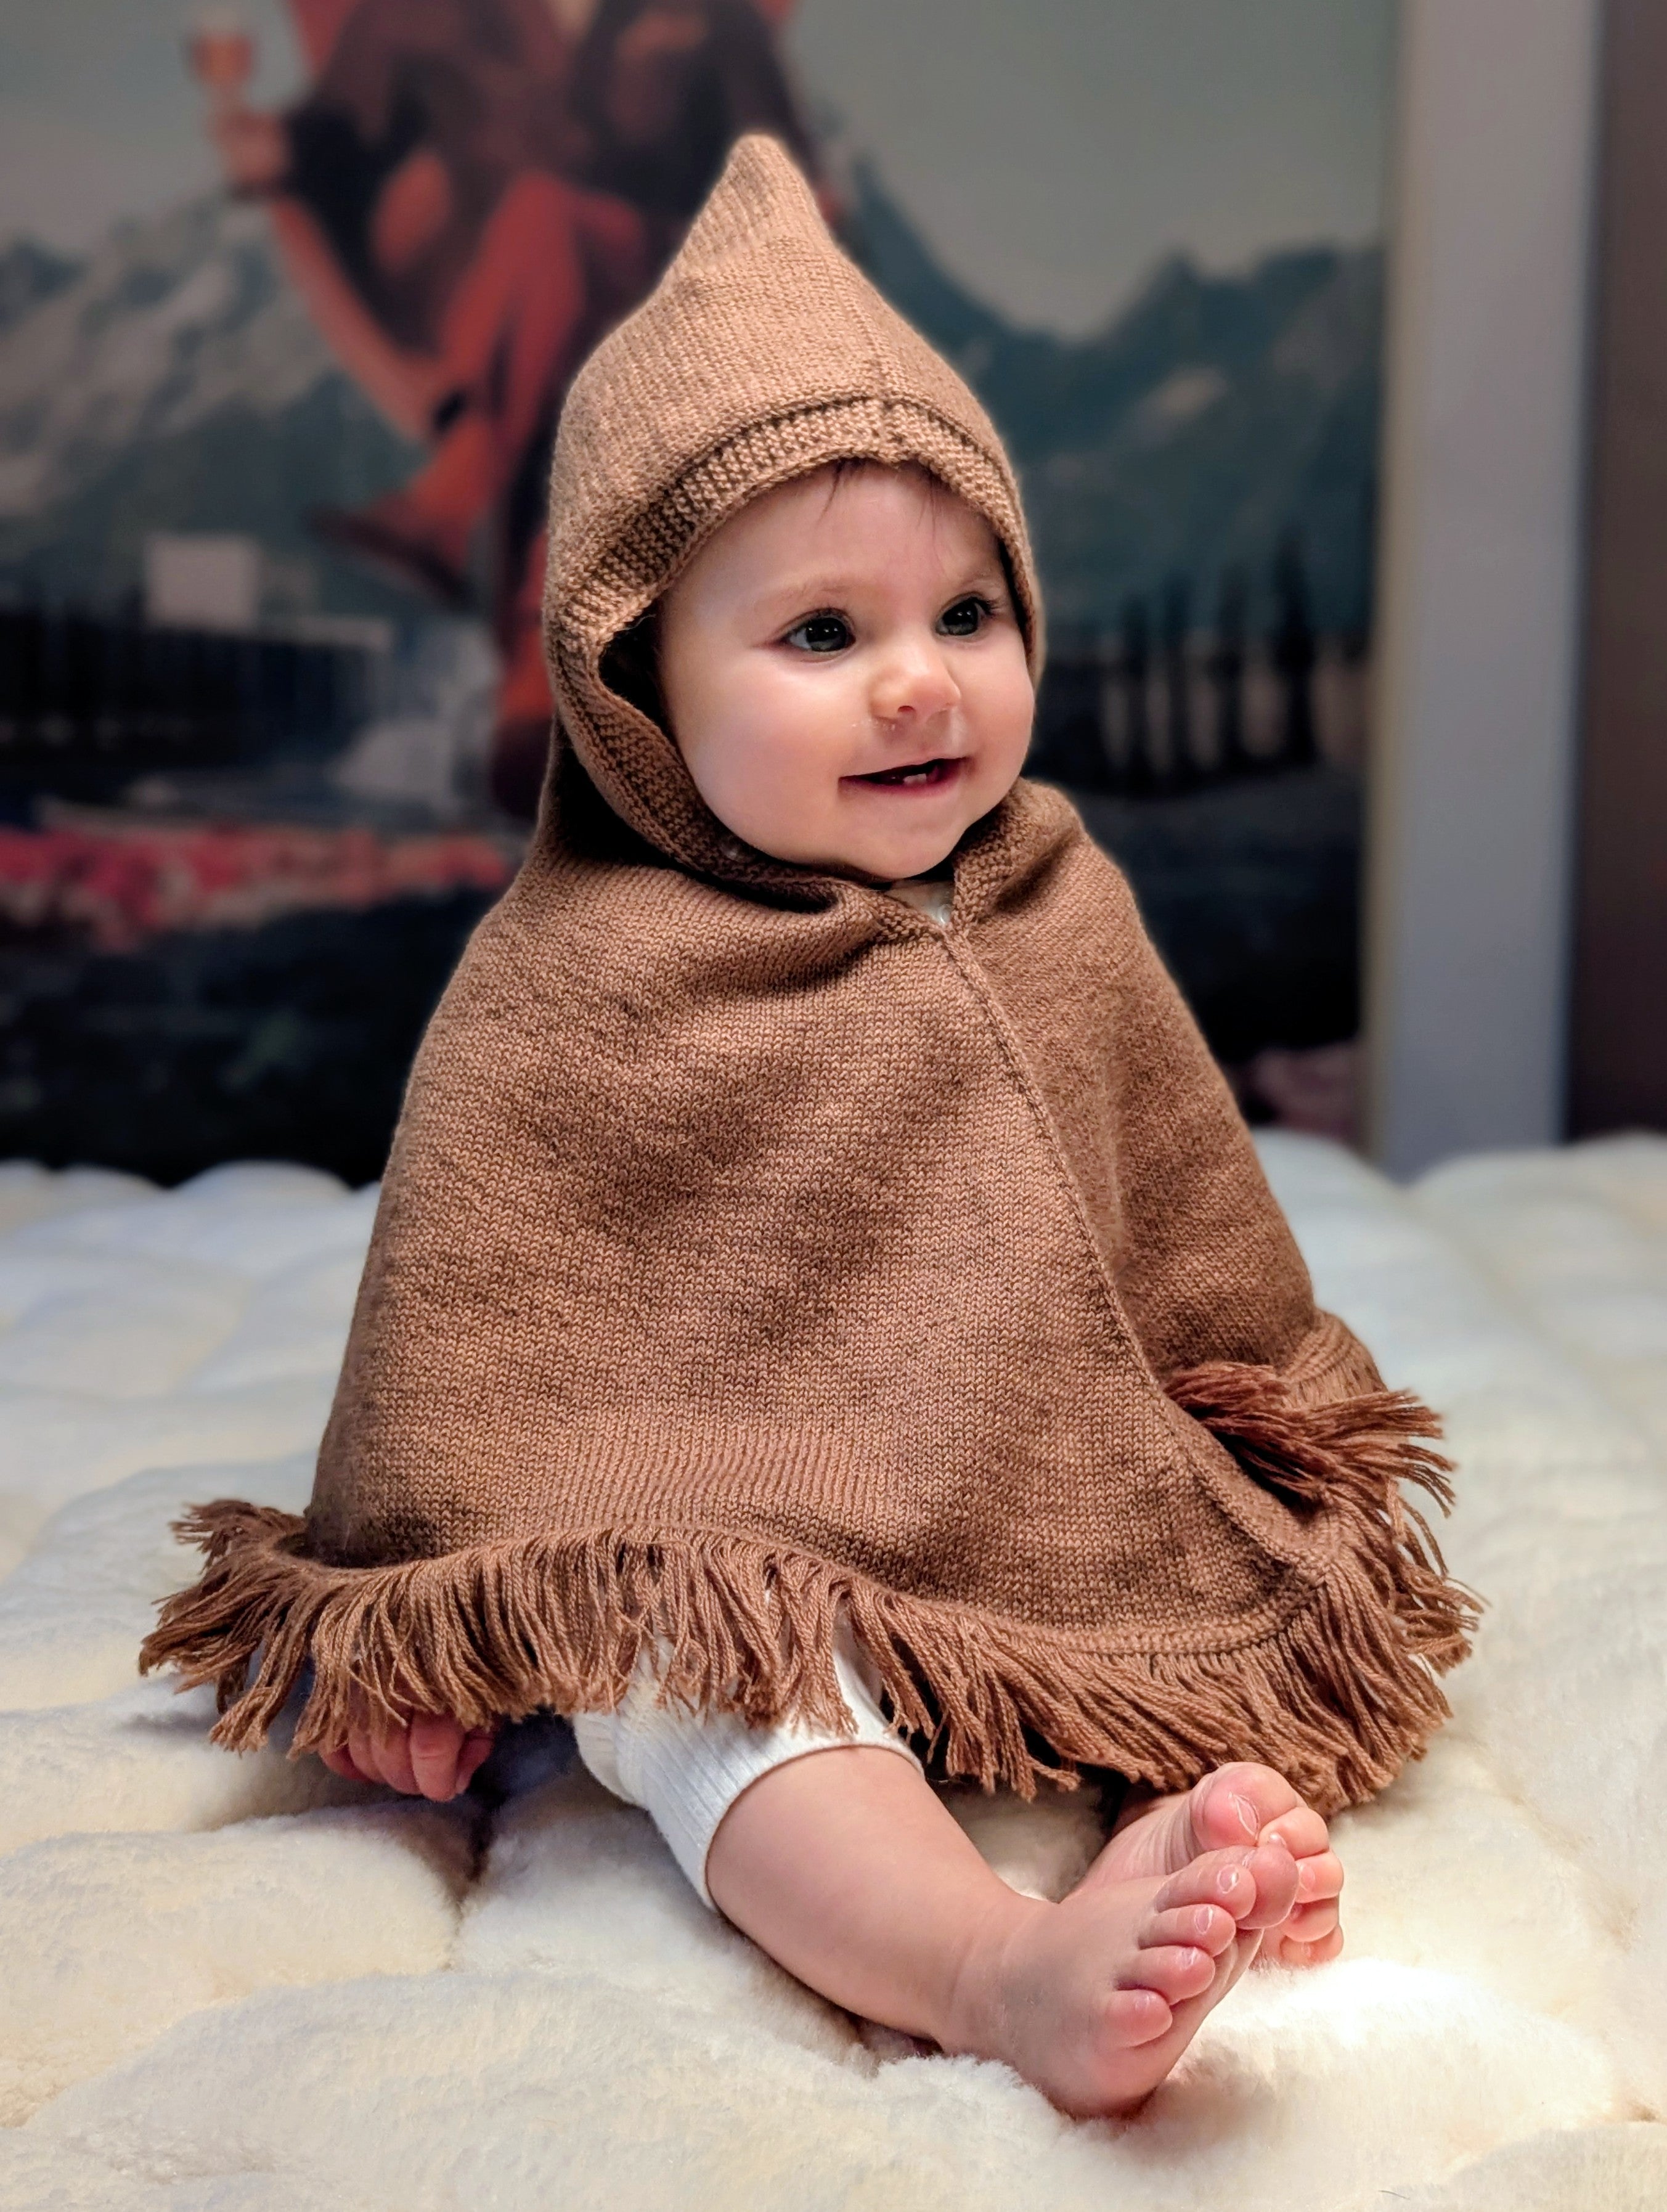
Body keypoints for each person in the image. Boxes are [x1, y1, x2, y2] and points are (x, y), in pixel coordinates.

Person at [144, 140, 1474, 2118]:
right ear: (638, 688)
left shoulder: (1051, 893)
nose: (920, 677)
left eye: (966, 607)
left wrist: (1243, 1407)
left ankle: (1190, 1821)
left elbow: (1172, 1231)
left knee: (1185, 1546)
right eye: (822, 636)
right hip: (722, 1536)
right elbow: (483, 1329)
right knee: (705, 1698)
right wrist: (430, 1619)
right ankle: (991, 1959)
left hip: (998, 1464)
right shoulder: (582, 971)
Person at [204, 0, 820, 814]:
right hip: (486, 291)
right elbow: (340, 131)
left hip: (662, 276)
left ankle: (454, 504)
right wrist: (278, 149)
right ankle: (535, 698)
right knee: (548, 269)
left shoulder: (709, 23)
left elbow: (784, 178)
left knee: (564, 290)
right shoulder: (419, 16)